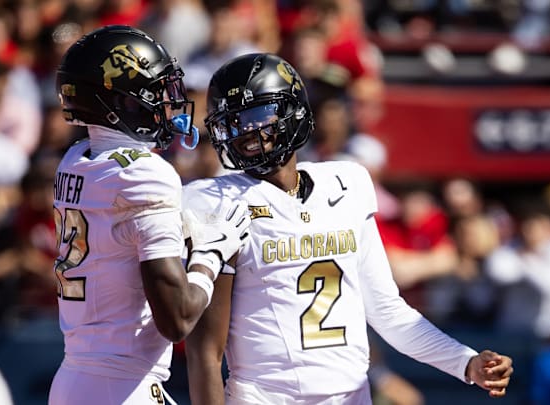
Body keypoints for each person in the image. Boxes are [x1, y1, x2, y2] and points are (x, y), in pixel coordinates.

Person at [182, 53, 514, 404]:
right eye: (233, 123)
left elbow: (387, 312)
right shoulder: (212, 201)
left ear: (292, 111)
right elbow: (205, 351)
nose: (246, 132)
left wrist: (466, 361)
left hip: (352, 395)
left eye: (257, 115)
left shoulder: (346, 183)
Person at [47, 25, 250, 405]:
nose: (165, 102)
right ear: (120, 102)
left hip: (75, 378)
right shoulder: (144, 173)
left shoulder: (75, 160)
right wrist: (211, 252)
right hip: (123, 386)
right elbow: (177, 318)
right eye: (155, 92)